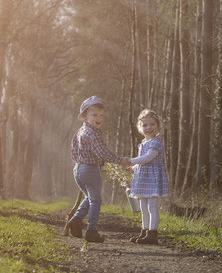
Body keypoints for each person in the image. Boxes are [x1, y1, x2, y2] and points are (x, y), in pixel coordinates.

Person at [68, 96, 130, 243]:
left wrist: (81, 163)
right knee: (96, 200)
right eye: (94, 114)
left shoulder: (81, 131)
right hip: (90, 170)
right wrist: (120, 161)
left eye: (101, 115)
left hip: (78, 170)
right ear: (85, 116)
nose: (99, 118)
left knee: (89, 198)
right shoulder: (92, 133)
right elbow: (102, 153)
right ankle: (92, 230)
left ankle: (76, 220)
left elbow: (74, 149)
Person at [127, 109, 169, 245]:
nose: (148, 128)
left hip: (152, 178)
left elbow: (148, 158)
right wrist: (133, 168)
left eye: (152, 124)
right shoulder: (143, 143)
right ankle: (144, 232)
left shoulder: (156, 142)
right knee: (143, 208)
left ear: (158, 126)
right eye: (145, 125)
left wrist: (132, 161)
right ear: (140, 127)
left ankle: (153, 234)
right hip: (142, 177)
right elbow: (143, 162)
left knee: (152, 207)